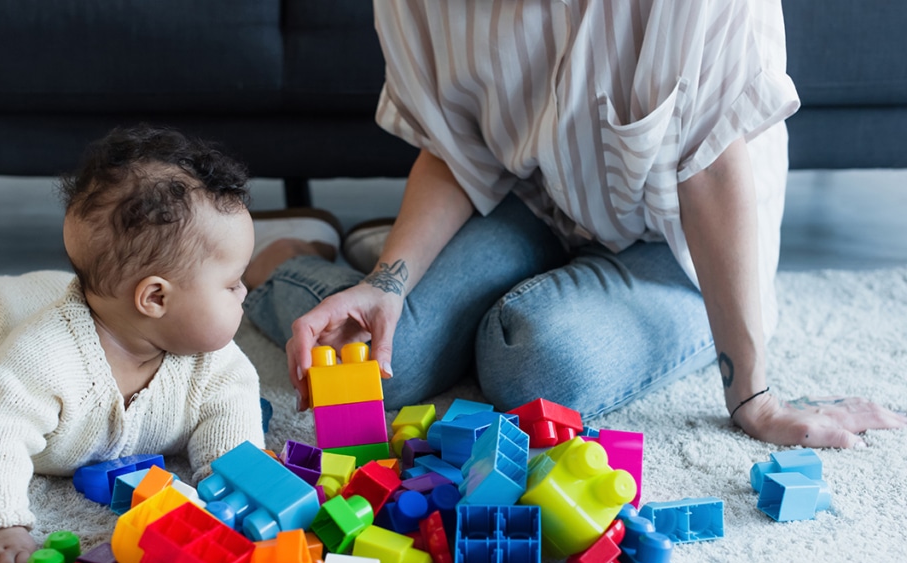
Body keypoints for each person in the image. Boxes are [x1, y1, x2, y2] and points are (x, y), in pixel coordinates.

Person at [243, 0, 906, 448]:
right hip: (537, 200)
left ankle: (494, 292)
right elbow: (455, 147)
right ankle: (285, 257)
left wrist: (753, 396)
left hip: (681, 240)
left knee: (533, 361)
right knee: (396, 358)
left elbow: (708, 166)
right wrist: (390, 281)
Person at [0, 125, 269, 563]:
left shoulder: (211, 361)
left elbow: (233, 411)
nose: (245, 291)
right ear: (155, 298)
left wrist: (238, 485)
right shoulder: (41, 360)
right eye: (231, 283)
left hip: (42, 295)